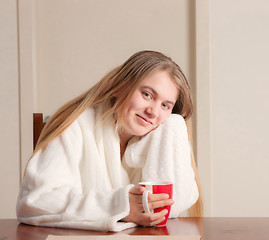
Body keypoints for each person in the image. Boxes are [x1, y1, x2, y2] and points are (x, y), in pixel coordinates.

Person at [16, 50, 202, 232]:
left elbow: (175, 205)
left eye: (165, 105)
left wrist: (174, 128)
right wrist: (118, 204)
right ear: (120, 87)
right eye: (147, 94)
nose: (153, 112)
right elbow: (35, 202)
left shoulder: (162, 139)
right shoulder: (75, 126)